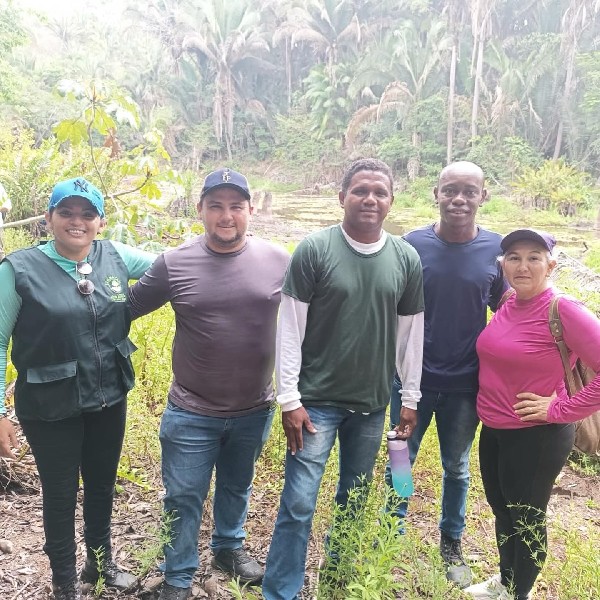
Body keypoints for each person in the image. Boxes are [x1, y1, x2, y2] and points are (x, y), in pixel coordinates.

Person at [261, 158, 425, 600]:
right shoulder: (315, 249)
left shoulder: (406, 258)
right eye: (360, 190)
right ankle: (281, 591)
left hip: (371, 406)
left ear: (391, 201)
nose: (370, 199)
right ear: (342, 197)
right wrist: (289, 399)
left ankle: (336, 582)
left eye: (380, 192)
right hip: (316, 405)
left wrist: (409, 397)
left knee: (353, 499)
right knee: (298, 504)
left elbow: (411, 335)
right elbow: (290, 329)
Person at [128, 168, 290, 600]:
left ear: (251, 210)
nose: (226, 216)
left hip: (255, 407)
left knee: (238, 485)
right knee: (182, 497)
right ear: (200, 209)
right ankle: (179, 576)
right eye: (215, 206)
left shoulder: (279, 261)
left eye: (235, 206)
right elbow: (124, 310)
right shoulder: (173, 262)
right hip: (191, 410)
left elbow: (309, 321)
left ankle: (227, 550)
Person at [0, 177, 155, 600]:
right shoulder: (17, 270)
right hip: (50, 404)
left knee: (103, 484)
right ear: (48, 218)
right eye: (66, 212)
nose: (77, 221)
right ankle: (64, 580)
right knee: (61, 491)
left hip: (109, 397)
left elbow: (171, 265)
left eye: (87, 214)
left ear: (100, 222)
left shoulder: (117, 256)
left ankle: (100, 565)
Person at [387, 161, 507, 588]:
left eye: (469, 191)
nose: (459, 199)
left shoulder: (497, 250)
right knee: (401, 458)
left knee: (456, 467)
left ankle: (451, 542)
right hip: (409, 382)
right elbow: (388, 303)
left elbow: (509, 309)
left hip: (465, 384)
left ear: (483, 196)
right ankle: (391, 533)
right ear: (435, 194)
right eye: (450, 190)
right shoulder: (410, 245)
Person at [467, 228, 600, 600]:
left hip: (537, 435)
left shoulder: (564, 310)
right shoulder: (509, 302)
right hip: (494, 429)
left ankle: (519, 593)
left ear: (551, 265)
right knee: (501, 509)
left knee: (526, 518)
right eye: (514, 257)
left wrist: (560, 408)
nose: (522, 266)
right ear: (503, 264)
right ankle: (507, 580)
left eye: (533, 258)